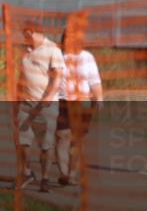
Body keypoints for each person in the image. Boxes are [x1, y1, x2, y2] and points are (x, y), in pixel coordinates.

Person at [16, 20, 65, 193]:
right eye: (24, 35)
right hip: (25, 103)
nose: (25, 38)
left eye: (27, 34)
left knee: (45, 144)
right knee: (22, 141)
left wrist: (48, 97)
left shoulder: (52, 50)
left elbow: (57, 77)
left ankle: (45, 177)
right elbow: (20, 78)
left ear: (35, 32)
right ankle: (27, 171)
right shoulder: (26, 51)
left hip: (45, 105)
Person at [55, 31, 103, 185]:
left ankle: (73, 173)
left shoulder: (87, 57)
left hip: (83, 102)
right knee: (63, 136)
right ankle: (63, 173)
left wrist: (99, 98)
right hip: (61, 101)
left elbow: (94, 81)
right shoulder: (56, 56)